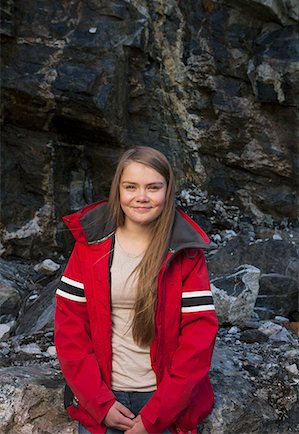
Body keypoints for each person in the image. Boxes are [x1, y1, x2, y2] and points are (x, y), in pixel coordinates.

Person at [54, 146, 218, 434]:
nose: (141, 197)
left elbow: (198, 339)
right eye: (131, 187)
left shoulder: (186, 253)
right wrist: (99, 404)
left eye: (153, 187)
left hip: (165, 402)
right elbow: (70, 332)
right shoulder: (90, 246)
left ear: (168, 191)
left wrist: (157, 414)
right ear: (118, 189)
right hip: (105, 398)